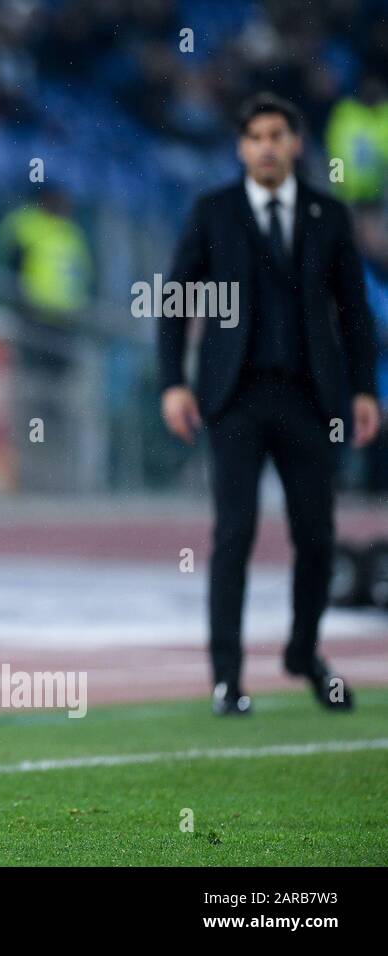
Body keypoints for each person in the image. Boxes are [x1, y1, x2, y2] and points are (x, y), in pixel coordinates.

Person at [158, 93, 381, 716]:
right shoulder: (214, 212)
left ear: (295, 143)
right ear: (240, 146)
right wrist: (172, 382)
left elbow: (356, 315)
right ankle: (227, 679)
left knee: (316, 538)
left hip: (311, 399)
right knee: (235, 533)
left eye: (276, 134)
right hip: (235, 400)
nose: (265, 145)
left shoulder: (327, 214)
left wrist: (364, 389)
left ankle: (303, 653)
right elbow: (174, 299)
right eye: (254, 135)